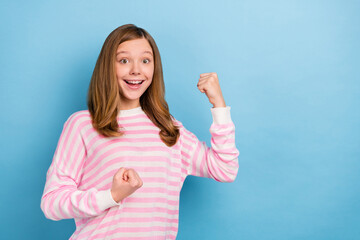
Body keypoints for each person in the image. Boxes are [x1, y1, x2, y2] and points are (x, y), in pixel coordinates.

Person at [40, 23, 239, 240]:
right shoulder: (82, 124)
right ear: (108, 66)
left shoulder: (169, 129)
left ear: (155, 68)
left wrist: (218, 105)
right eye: (124, 60)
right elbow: (51, 203)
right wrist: (112, 195)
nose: (136, 70)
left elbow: (225, 169)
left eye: (145, 60)